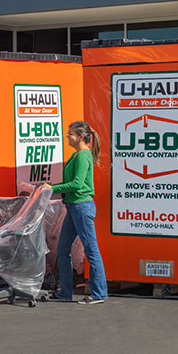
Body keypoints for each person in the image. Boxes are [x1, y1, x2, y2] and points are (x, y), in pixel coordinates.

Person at [42, 120, 107, 305]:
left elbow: (77, 184)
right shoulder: (77, 154)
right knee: (63, 249)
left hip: (81, 207)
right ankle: (65, 292)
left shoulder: (82, 156)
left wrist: (52, 187)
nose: (67, 137)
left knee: (91, 250)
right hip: (73, 207)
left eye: (70, 134)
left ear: (79, 137)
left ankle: (99, 293)